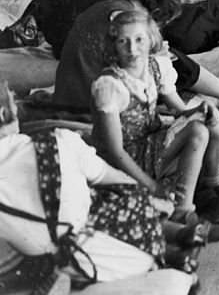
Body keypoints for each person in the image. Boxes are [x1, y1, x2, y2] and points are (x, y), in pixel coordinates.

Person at [0, 82, 195, 292]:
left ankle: (174, 249)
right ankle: (173, 249)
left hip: (47, 271)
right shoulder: (59, 142)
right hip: (115, 261)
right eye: (13, 98)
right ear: (4, 114)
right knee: (110, 189)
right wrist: (157, 200)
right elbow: (119, 180)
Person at [90, 6, 219, 224]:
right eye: (123, 41)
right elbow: (114, 152)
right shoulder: (109, 86)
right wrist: (152, 186)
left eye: (139, 39)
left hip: (151, 142)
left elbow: (180, 108)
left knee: (210, 120)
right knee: (197, 132)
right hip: (130, 157)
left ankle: (212, 185)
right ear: (113, 45)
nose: (132, 49)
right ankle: (182, 210)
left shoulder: (154, 67)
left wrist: (199, 110)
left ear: (150, 40)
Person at [50, 0, 219, 121]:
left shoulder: (117, 8)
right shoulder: (129, 30)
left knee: (168, 56)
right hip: (89, 103)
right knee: (168, 62)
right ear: (156, 16)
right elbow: (162, 82)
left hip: (76, 90)